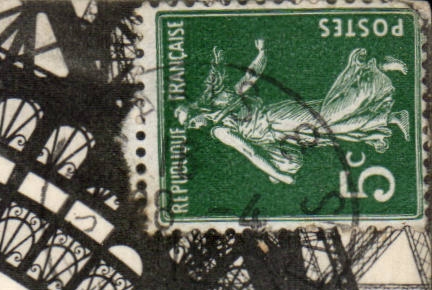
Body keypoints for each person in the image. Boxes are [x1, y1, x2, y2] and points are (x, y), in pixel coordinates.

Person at [175, 40, 411, 186]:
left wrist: (262, 52)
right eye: (191, 127)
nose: (195, 127)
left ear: (195, 109)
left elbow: (250, 80)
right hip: (278, 136)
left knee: (328, 117)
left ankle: (377, 68)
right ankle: (390, 117)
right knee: (334, 129)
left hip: (276, 118)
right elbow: (252, 150)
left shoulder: (220, 110)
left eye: (191, 121)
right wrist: (277, 171)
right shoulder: (218, 127)